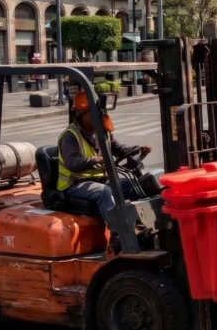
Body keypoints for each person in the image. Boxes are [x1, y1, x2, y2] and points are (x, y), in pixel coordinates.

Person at [57, 91, 153, 232]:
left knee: (135, 184)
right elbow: (72, 163)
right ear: (83, 113)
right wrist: (95, 160)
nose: (101, 116)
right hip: (75, 184)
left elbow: (119, 148)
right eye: (96, 113)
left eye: (101, 112)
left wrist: (137, 149)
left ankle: (142, 226)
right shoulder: (70, 136)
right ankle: (120, 235)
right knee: (104, 192)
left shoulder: (101, 132)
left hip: (100, 180)